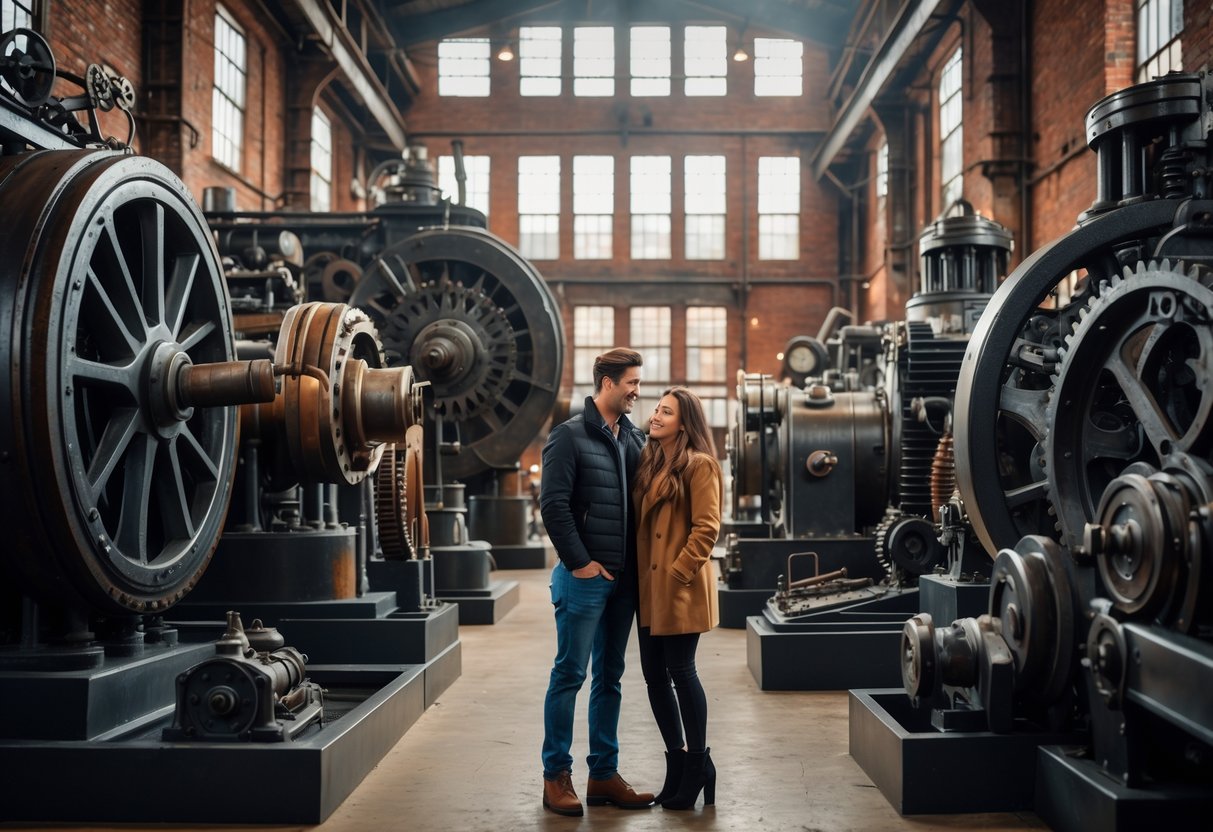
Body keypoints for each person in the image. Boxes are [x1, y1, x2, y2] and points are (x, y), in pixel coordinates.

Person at [539, 347, 654, 817]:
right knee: (570, 674)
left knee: (611, 678)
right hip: (585, 580)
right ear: (607, 382)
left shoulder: (633, 439)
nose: (636, 391)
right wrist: (581, 563)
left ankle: (603, 773)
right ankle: (555, 776)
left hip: (623, 582)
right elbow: (554, 505)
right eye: (631, 382)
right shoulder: (568, 436)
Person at [632, 386, 722, 810]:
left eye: (666, 412)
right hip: (650, 588)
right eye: (656, 409)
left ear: (684, 423)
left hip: (680, 588)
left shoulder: (699, 465)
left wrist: (678, 571)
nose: (655, 416)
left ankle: (700, 764)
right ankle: (677, 762)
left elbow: (707, 527)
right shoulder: (650, 462)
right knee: (654, 676)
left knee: (681, 671)